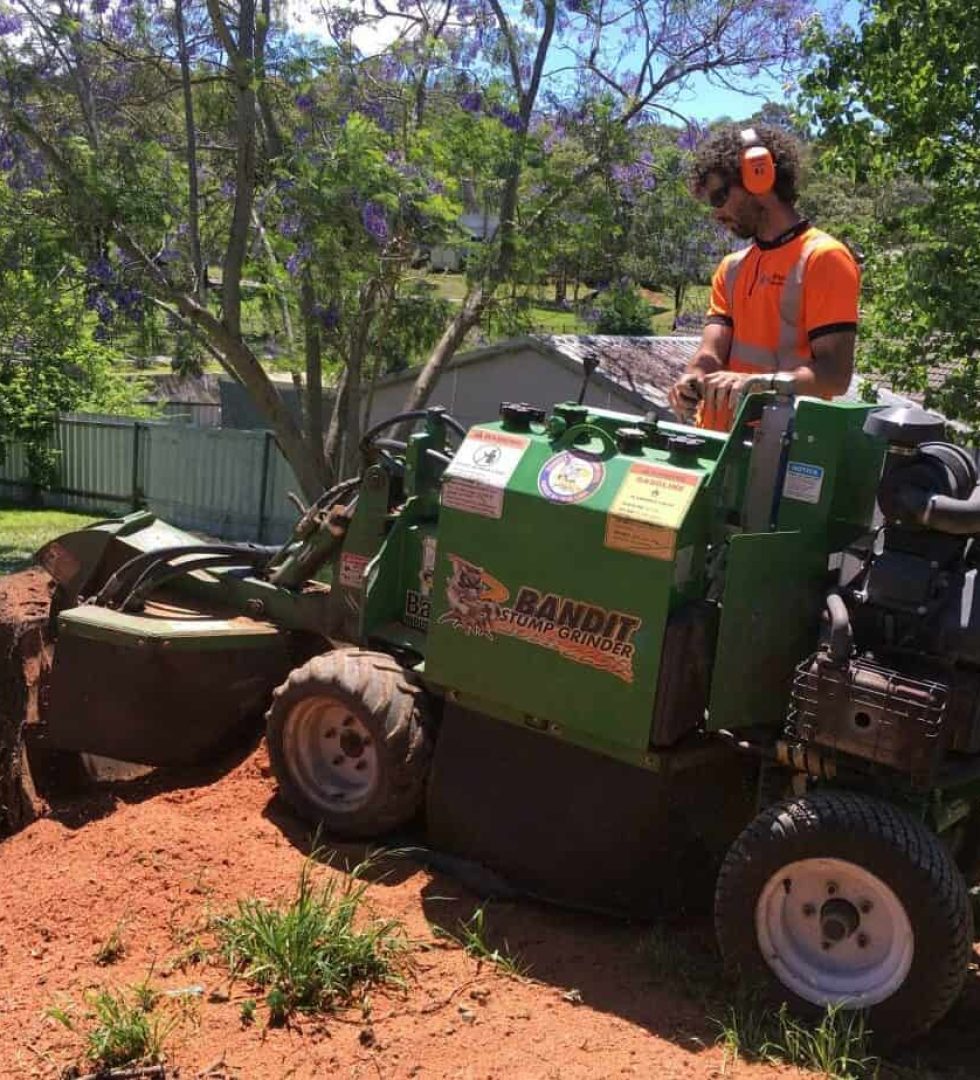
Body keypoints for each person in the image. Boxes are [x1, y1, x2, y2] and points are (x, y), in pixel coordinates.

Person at [668, 124, 860, 431]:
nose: (715, 214)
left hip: (782, 449)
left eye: (720, 197)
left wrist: (757, 383)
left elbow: (834, 376)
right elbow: (710, 352)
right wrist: (692, 376)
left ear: (758, 177)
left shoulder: (823, 258)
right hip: (719, 442)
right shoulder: (731, 269)